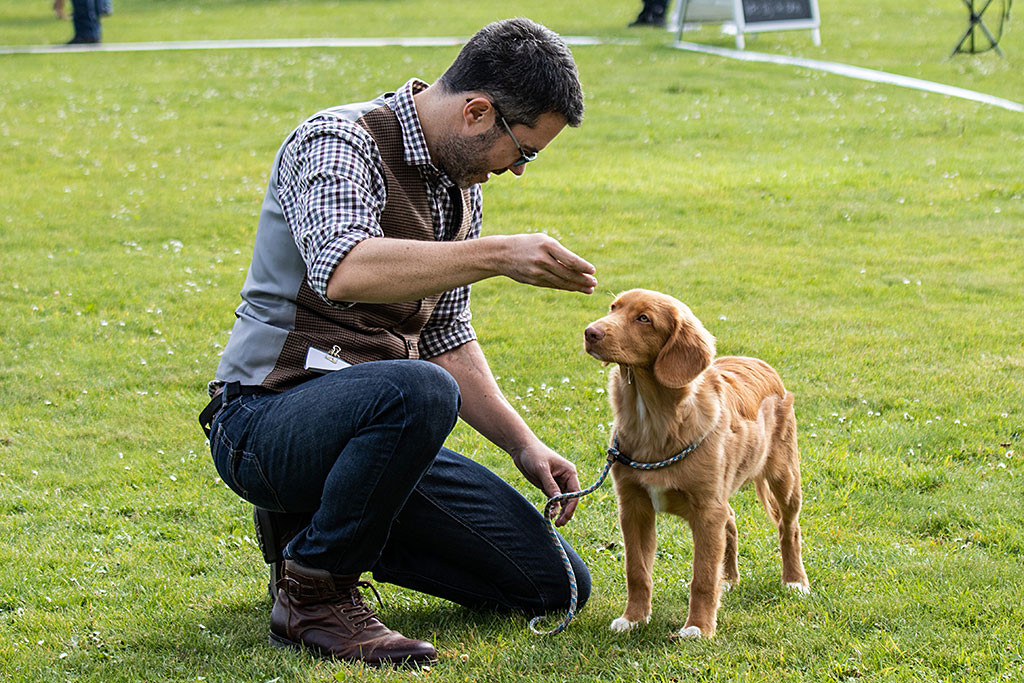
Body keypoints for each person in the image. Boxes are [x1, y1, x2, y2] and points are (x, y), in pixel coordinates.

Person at [199, 17, 597, 667]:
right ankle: (314, 592)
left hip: (378, 428)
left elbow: (444, 335)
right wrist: (497, 255)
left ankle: (322, 528)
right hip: (263, 419)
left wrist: (524, 444)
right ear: (477, 112)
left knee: (557, 584)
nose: (520, 170)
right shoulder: (337, 138)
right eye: (524, 151)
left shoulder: (461, 190)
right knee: (418, 388)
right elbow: (344, 267)